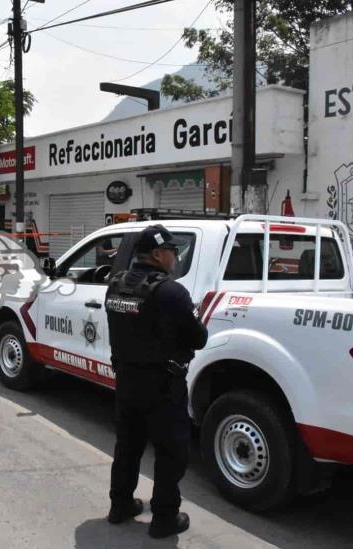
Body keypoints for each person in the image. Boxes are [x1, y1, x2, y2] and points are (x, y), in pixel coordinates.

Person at [104, 224, 207, 539]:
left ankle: (120, 506)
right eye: (174, 252)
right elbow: (199, 339)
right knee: (170, 452)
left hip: (126, 381)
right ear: (160, 254)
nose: (176, 258)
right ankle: (164, 518)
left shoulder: (116, 284)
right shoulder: (171, 292)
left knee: (128, 446)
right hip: (162, 386)